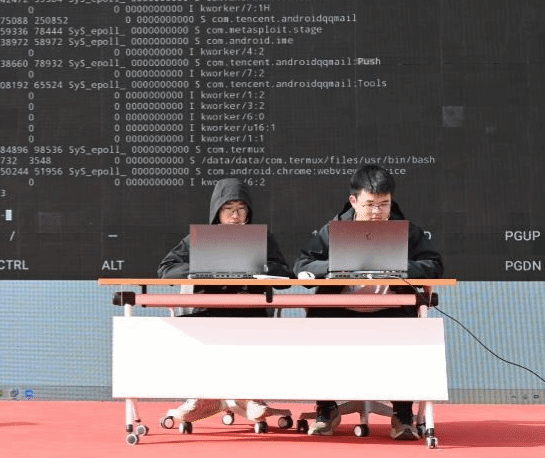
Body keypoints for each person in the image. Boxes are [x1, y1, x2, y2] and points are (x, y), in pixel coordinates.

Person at [293, 163, 443, 439]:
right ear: (353, 201)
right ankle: (326, 408)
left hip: (391, 311)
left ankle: (402, 413)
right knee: (315, 330)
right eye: (370, 205)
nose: (377, 212)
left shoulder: (407, 232)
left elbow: (434, 265)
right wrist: (333, 268)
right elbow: (303, 266)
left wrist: (400, 267)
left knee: (411, 336)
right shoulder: (333, 230)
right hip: (339, 311)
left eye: (384, 204)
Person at [156, 177, 293, 429]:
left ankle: (250, 396)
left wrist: (260, 267)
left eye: (241, 209)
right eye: (228, 209)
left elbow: (286, 277)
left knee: (253, 333)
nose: (235, 215)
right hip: (208, 314)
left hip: (249, 315)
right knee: (187, 332)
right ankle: (201, 396)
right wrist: (202, 267)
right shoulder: (198, 240)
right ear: (217, 212)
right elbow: (166, 269)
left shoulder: (262, 239)